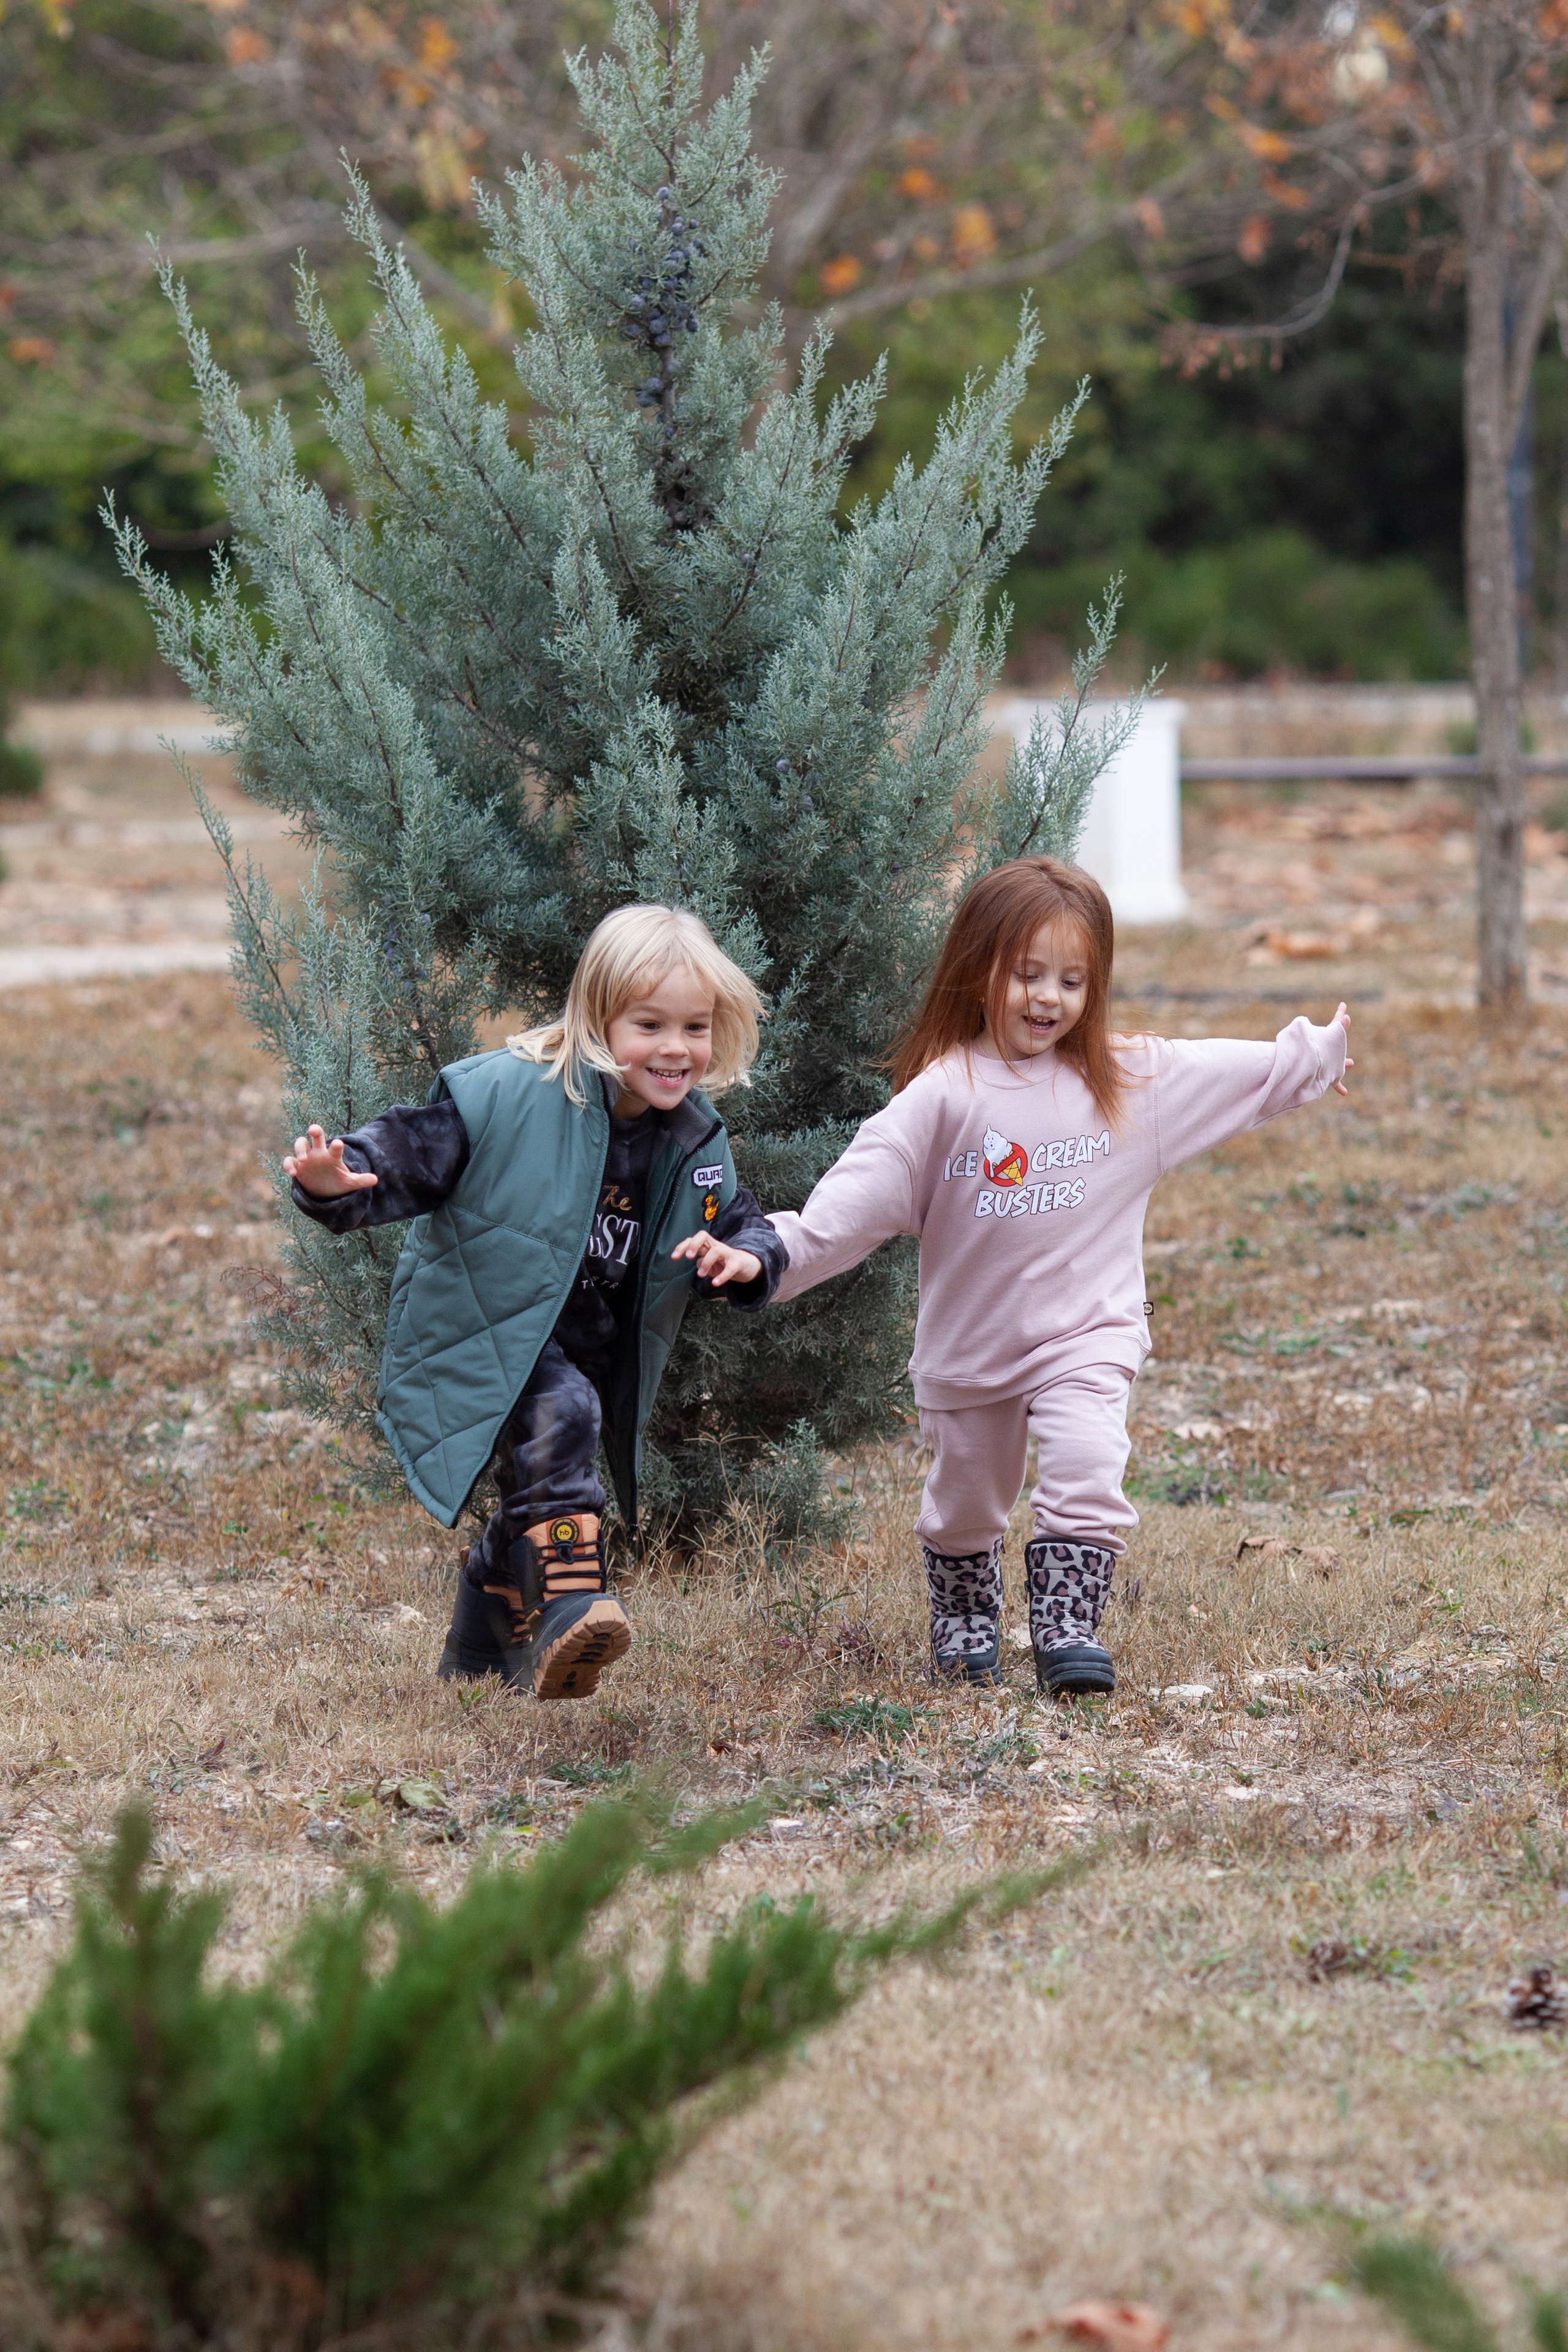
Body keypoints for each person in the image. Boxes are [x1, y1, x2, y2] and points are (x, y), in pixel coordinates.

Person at [766, 856, 1352, 1701]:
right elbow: (848, 1208)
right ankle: (964, 1613)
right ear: (979, 969)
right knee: (967, 1502)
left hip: (1089, 1331)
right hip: (973, 1349)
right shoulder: (943, 1098)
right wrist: (770, 1256)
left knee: (1088, 1459)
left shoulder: (1124, 1082)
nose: (1049, 998)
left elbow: (1239, 1074)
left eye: (1073, 980)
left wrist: (1316, 1056)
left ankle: (1066, 1624)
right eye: (1028, 974)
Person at [284, 904, 785, 1702]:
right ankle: (570, 1605)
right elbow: (412, 1148)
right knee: (567, 1413)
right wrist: (340, 1178)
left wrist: (742, 1258)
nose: (674, 1048)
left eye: (695, 1027)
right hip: (489, 1336)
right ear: (597, 1019)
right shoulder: (511, 1096)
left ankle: (481, 1645)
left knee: (564, 1426)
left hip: (585, 1348)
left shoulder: (693, 1140)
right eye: (649, 1024)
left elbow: (742, 1221)